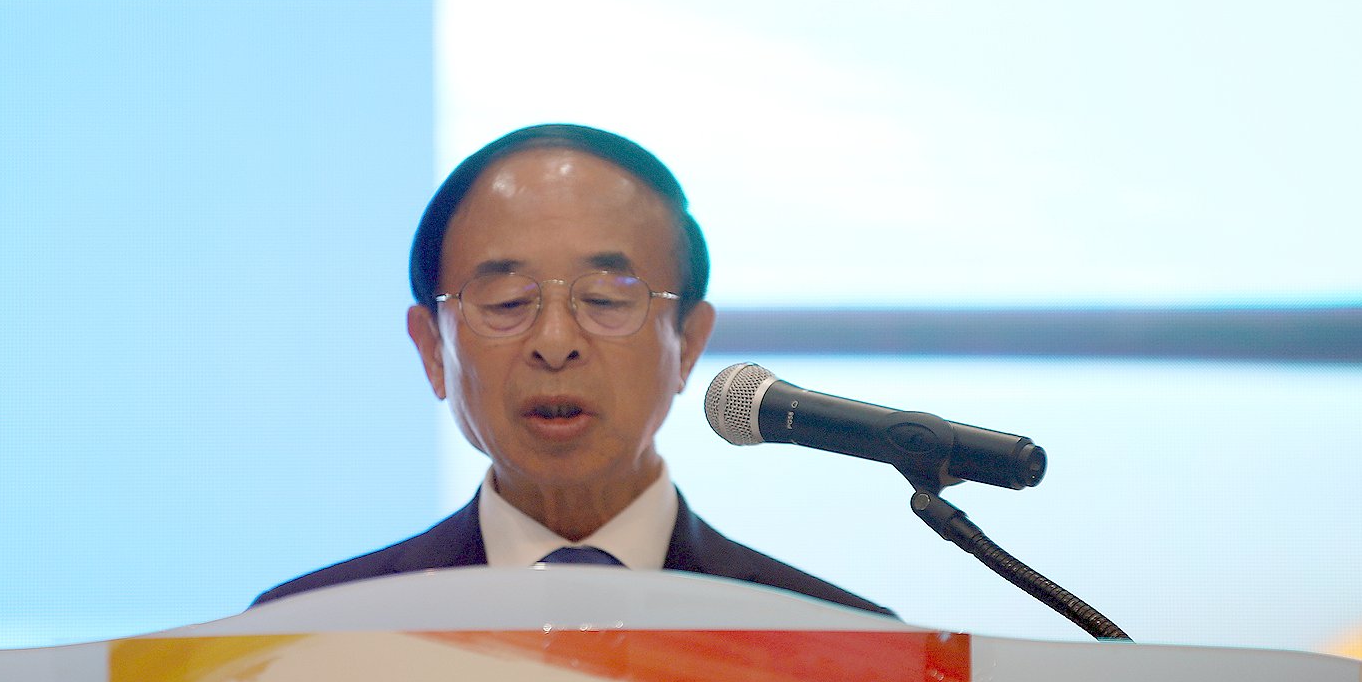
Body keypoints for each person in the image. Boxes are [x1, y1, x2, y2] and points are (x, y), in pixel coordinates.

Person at [255, 124, 889, 614]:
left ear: (689, 343)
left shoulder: (838, 647)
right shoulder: (302, 640)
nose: (555, 343)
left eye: (606, 300)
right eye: (507, 303)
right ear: (432, 350)